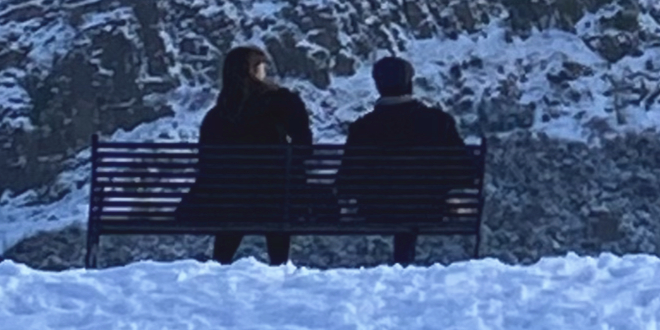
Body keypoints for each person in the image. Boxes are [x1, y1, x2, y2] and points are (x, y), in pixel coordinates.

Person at [188, 44, 312, 266]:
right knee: (276, 199)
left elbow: (206, 162)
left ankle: (220, 262)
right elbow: (305, 147)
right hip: (276, 200)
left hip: (228, 204)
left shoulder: (216, 116)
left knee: (236, 204)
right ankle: (280, 264)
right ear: (254, 70)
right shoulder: (283, 102)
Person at [339, 55, 470, 266]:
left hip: (375, 211)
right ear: (410, 82)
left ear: (377, 85)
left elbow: (347, 181)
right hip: (428, 209)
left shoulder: (362, 127)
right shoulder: (438, 121)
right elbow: (464, 173)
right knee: (413, 207)